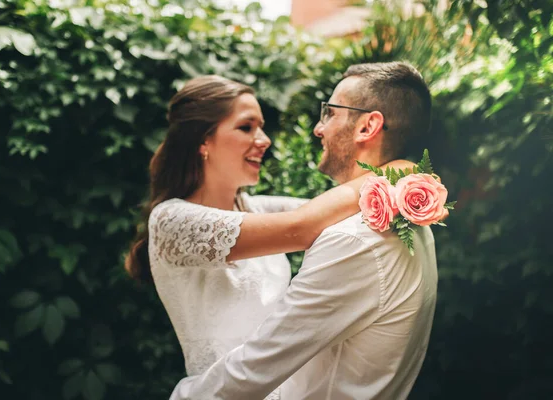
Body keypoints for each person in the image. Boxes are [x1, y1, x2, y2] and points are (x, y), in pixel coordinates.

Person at [124, 75, 413, 399]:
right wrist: (397, 170)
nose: (264, 139)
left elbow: (343, 212)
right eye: (246, 127)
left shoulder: (255, 208)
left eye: (260, 127)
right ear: (201, 141)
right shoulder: (171, 220)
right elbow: (302, 227)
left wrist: (409, 193)